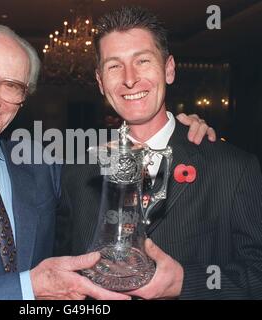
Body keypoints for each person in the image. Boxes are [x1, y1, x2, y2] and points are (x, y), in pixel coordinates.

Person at [0, 24, 214, 300]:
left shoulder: (42, 166)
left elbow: (115, 184)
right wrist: (28, 289)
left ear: (24, 98)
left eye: (11, 85)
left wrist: (173, 132)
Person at [56, 6, 262, 299]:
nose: (130, 79)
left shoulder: (233, 168)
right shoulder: (77, 172)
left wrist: (185, 282)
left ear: (169, 69)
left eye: (142, 61)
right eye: (114, 66)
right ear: (101, 82)